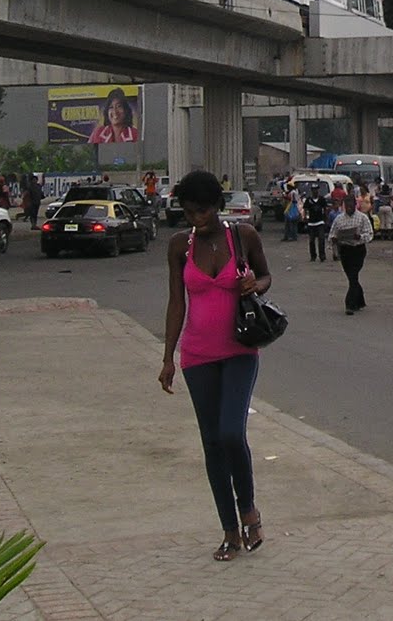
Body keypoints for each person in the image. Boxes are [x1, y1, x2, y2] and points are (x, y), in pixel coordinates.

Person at [158, 170, 271, 562]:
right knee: (210, 443)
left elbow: (267, 275)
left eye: (203, 211)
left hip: (239, 351)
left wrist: (255, 283)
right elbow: (177, 303)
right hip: (197, 356)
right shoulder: (178, 246)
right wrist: (168, 357)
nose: (196, 219)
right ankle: (229, 531)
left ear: (217, 206)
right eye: (189, 212)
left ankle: (250, 511)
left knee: (230, 433)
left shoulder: (242, 237)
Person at [330, 195, 374, 315]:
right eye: (346, 205)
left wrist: (360, 237)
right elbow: (332, 234)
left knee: (353, 275)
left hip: (358, 250)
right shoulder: (339, 219)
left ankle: (350, 304)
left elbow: (369, 234)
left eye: (351, 205)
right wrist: (334, 240)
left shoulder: (362, 218)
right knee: (352, 277)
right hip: (345, 250)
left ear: (355, 205)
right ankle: (360, 300)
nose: (349, 208)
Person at [305, 186, 329, 262]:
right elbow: (305, 209)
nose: (315, 191)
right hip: (311, 223)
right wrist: (306, 218)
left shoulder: (322, 199)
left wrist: (325, 219)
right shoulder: (308, 200)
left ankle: (322, 256)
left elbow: (325, 209)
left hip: (320, 222)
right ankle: (313, 256)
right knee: (311, 241)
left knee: (321, 240)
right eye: (313, 190)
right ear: (311, 191)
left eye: (316, 190)